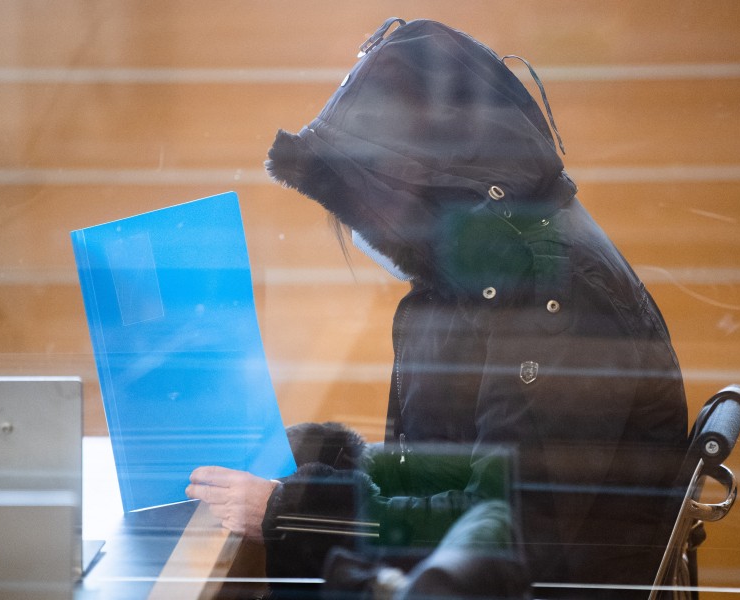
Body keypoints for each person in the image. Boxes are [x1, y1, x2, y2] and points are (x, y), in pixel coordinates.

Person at [187, 18, 688, 597]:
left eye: (373, 197)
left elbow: (508, 525)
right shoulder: (487, 265)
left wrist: (296, 511)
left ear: (440, 185)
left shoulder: (554, 292)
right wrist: (328, 458)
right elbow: (460, 468)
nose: (364, 224)